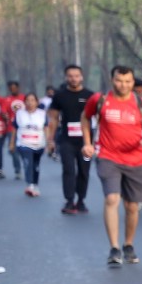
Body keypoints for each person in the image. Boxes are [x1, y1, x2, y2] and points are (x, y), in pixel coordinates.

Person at [82, 65, 142, 267]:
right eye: (119, 80)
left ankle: (128, 244)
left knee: (131, 206)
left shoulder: (140, 103)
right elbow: (85, 117)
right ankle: (114, 248)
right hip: (108, 156)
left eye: (128, 81)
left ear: (133, 82)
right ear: (112, 80)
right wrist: (87, 142)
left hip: (136, 159)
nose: (124, 85)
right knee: (111, 198)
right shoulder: (100, 100)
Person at [47, 64, 94, 214]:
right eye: (70, 76)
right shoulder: (59, 96)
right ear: (66, 77)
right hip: (66, 139)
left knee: (84, 171)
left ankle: (81, 200)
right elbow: (53, 118)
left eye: (76, 76)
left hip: (86, 141)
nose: (74, 79)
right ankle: (69, 201)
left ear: (82, 77)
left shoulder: (90, 96)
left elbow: (99, 118)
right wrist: (50, 139)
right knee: (68, 169)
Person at [10, 92, 46, 196]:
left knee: (36, 166)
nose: (30, 103)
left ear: (37, 102)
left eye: (32, 100)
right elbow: (14, 129)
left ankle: (35, 184)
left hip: (39, 144)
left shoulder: (42, 114)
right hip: (23, 144)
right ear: (24, 102)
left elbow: (46, 128)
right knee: (27, 164)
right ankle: (29, 185)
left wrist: (49, 142)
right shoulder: (19, 114)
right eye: (27, 100)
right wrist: (12, 143)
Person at [3, 80, 26, 180]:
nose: (13, 90)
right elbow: (3, 112)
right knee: (13, 150)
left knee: (25, 149)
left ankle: (27, 167)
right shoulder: (6, 100)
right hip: (11, 128)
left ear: (18, 88)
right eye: (11, 88)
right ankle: (17, 170)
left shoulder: (24, 98)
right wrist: (5, 116)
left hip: (25, 128)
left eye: (14, 88)